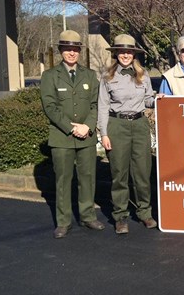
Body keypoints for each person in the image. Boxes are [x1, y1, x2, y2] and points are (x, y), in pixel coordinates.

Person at [40, 30, 105, 239]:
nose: (71, 53)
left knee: (87, 178)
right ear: (61, 51)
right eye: (67, 49)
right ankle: (63, 221)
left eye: (75, 49)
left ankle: (87, 216)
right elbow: (50, 106)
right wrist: (71, 127)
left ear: (79, 51)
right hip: (62, 137)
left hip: (86, 136)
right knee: (63, 180)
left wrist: (88, 126)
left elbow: (96, 104)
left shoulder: (89, 75)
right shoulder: (50, 76)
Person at [98, 34, 158, 235]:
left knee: (142, 171)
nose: (125, 55)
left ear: (134, 54)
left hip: (140, 125)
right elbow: (103, 107)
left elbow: (148, 99)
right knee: (119, 173)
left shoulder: (143, 74)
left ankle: (144, 212)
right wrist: (104, 134)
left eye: (129, 51)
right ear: (116, 53)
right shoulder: (108, 76)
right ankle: (120, 216)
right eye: (122, 51)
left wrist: (158, 98)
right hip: (117, 125)